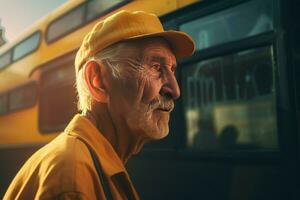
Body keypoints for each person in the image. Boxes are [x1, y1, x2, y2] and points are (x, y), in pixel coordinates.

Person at [4, 10, 195, 200]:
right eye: (155, 67)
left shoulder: (88, 162)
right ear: (98, 80)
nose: (175, 90)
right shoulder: (74, 179)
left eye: (172, 69)